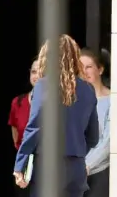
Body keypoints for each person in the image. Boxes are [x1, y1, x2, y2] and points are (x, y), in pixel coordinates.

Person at [13, 34, 99, 197]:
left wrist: (20, 164)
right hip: (76, 170)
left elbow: (35, 127)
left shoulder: (43, 86)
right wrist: (75, 152)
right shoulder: (88, 89)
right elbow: (93, 137)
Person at [80, 48, 110, 197]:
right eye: (80, 67)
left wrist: (86, 165)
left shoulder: (112, 101)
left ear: (100, 69)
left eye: (89, 67)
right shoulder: (74, 101)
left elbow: (108, 143)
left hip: (100, 173)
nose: (84, 71)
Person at [8, 60, 39, 197]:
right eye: (34, 72)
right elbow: (15, 135)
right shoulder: (18, 102)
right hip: (24, 164)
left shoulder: (59, 102)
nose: (37, 76)